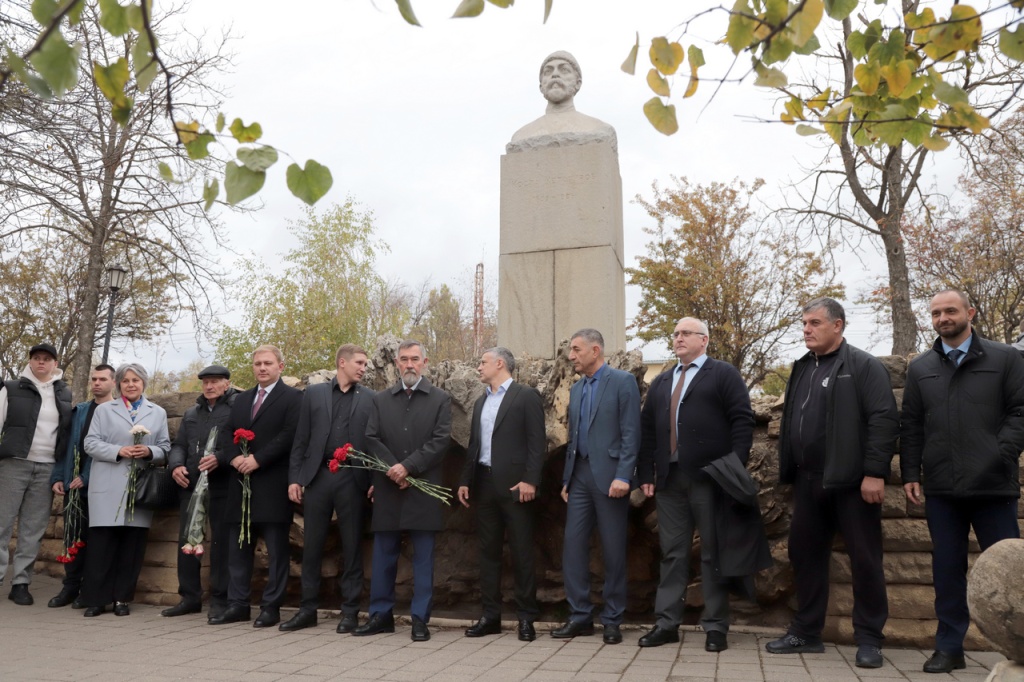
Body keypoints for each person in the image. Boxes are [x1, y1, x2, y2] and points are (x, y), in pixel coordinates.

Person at [766, 298, 898, 670]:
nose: (806, 329)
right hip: (808, 482)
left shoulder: (862, 366)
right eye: (804, 323)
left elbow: (884, 421)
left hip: (853, 484)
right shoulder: (803, 367)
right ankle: (806, 633)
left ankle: (869, 638)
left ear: (837, 325)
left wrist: (875, 472)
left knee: (865, 561)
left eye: (814, 323)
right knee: (804, 556)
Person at [901, 290, 1024, 674]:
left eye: (950, 310)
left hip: (994, 487)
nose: (943, 318)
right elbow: (912, 425)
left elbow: (1020, 412)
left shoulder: (1006, 359)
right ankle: (949, 647)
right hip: (942, 489)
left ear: (970, 312)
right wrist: (909, 473)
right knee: (947, 569)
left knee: (1010, 570)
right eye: (936, 313)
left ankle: (1020, 647)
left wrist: (999, 454)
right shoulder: (921, 368)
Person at [636, 318, 759, 652]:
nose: (678, 338)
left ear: (704, 340)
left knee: (713, 552)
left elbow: (742, 421)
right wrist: (646, 474)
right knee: (672, 553)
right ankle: (666, 623)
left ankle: (716, 626)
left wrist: (732, 468)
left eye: (685, 333)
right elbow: (647, 431)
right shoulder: (662, 381)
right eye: (675, 334)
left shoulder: (723, 374)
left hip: (711, 479)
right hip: (669, 480)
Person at [355, 340, 452, 642]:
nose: (409, 364)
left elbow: (440, 441)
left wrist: (408, 467)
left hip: (423, 488)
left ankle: (420, 620)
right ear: (396, 363)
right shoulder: (381, 400)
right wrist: (393, 469)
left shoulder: (440, 399)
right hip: (388, 487)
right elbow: (371, 438)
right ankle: (380, 616)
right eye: (404, 359)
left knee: (423, 560)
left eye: (415, 359)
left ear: (425, 362)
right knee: (384, 557)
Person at [553, 328, 641, 645]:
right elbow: (573, 439)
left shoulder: (622, 382)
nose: (571, 356)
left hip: (611, 479)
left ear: (595, 350)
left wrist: (624, 475)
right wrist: (566, 479)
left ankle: (613, 619)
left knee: (613, 549)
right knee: (573, 546)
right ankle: (580, 617)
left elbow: (631, 433)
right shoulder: (576, 390)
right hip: (579, 478)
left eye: (576, 350)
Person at [281, 344, 374, 634]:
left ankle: (350, 612)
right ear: (342, 362)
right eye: (359, 362)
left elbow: (375, 442)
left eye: (365, 364)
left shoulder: (371, 398)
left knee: (352, 546)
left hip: (353, 478)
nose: (363, 368)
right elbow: (301, 438)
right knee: (312, 547)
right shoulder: (315, 393)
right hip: (317, 477)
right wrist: (295, 478)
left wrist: (374, 482)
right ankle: (307, 610)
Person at [209, 345, 301, 628]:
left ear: (280, 367)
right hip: (241, 484)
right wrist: (235, 457)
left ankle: (271, 607)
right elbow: (226, 432)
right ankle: (238, 605)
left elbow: (289, 435)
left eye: (268, 363)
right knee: (238, 551)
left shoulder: (294, 398)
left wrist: (258, 459)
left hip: (272, 483)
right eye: (258, 363)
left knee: (276, 551)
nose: (262, 368)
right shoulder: (242, 399)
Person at [457, 347, 545, 642]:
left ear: (500, 363)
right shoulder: (481, 401)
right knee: (488, 553)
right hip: (484, 485)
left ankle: (526, 618)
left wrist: (530, 481)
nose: (478, 367)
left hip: (516, 487)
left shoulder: (525, 395)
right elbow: (474, 445)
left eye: (482, 362)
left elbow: (537, 442)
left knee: (521, 552)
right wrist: (466, 480)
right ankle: (490, 617)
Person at [81, 363, 171, 617]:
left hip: (139, 488)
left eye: (136, 380)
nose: (131, 384)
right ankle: (96, 600)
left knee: (131, 547)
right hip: (107, 484)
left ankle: (122, 598)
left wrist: (150, 451)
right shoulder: (104, 410)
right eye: (125, 381)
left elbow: (165, 447)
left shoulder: (157, 413)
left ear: (143, 383)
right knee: (101, 547)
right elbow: (90, 443)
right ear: (119, 384)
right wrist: (118, 451)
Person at [0, 342, 73, 606]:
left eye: (47, 359)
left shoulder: (64, 394)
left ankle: (21, 583)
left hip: (46, 468)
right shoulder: (10, 389)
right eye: (36, 358)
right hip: (13, 463)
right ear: (30, 362)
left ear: (55, 363)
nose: (41, 362)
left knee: (33, 528)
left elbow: (66, 433)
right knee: (2, 523)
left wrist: (61, 471)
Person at [163, 364, 238, 618]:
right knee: (187, 540)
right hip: (191, 483)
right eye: (205, 382)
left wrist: (220, 458)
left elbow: (242, 442)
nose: (209, 386)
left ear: (227, 383)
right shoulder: (192, 413)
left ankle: (220, 599)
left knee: (221, 543)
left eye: (215, 381)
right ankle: (189, 597)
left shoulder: (237, 408)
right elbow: (179, 445)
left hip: (222, 484)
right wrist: (175, 466)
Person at [47, 364, 116, 608]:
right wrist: (58, 476)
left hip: (104, 488)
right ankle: (70, 586)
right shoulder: (81, 411)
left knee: (98, 543)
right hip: (74, 488)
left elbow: (105, 450)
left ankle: (89, 590)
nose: (97, 383)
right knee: (72, 537)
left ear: (113, 383)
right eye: (93, 379)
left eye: (102, 379)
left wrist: (86, 476)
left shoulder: (118, 412)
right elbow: (66, 447)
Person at [509, 50, 617, 151]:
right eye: (548, 71)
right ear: (541, 87)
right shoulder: (521, 136)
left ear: (578, 83)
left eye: (564, 70)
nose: (555, 74)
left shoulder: (598, 129)